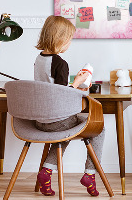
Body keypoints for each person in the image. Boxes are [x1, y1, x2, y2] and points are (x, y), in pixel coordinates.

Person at [34, 15, 104, 197]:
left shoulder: (39, 59)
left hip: (40, 120)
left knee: (65, 132)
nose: (70, 43)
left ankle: (46, 172)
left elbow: (51, 88)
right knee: (99, 128)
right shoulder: (60, 63)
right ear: (60, 39)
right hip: (57, 120)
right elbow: (61, 95)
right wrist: (78, 83)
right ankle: (90, 174)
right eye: (69, 39)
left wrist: (73, 83)